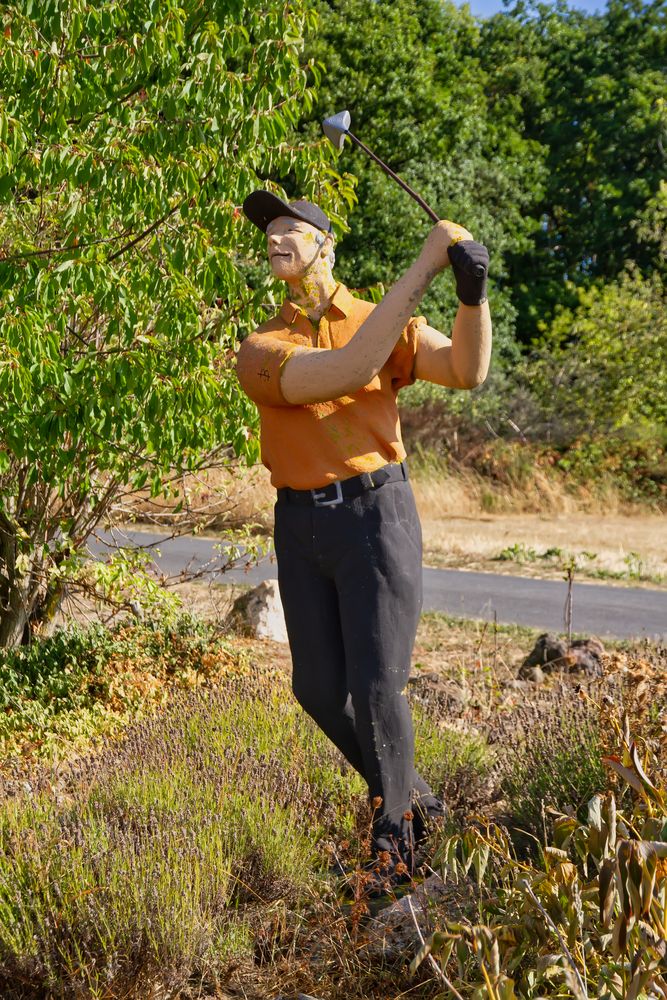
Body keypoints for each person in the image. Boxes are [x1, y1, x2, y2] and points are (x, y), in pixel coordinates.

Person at [236, 190, 491, 882]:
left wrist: (471, 296)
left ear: (326, 244)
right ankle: (421, 806)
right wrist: (424, 266)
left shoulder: (379, 322)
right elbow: (346, 373)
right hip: (299, 522)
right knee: (320, 689)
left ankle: (396, 844)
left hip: (377, 514)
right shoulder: (262, 346)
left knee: (378, 686)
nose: (275, 239)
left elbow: (465, 372)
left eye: (290, 228)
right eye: (269, 232)